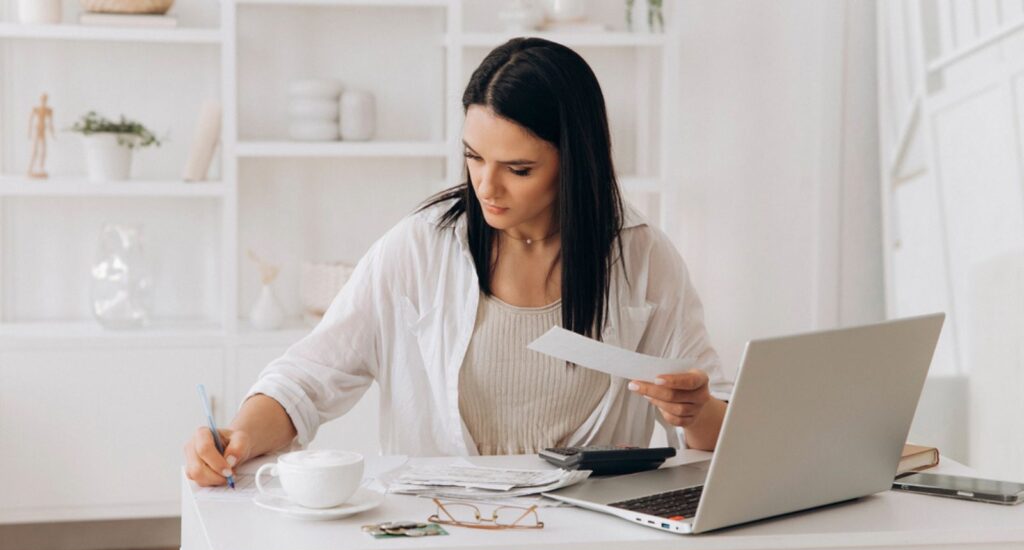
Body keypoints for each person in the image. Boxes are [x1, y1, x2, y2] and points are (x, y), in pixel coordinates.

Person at [185, 37, 730, 487]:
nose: (485, 187)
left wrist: (694, 409)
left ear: (577, 160)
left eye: (518, 169)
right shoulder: (418, 248)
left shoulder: (642, 256)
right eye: (473, 157)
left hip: (589, 543)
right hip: (446, 533)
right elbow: (307, 379)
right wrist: (237, 437)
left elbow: (720, 425)